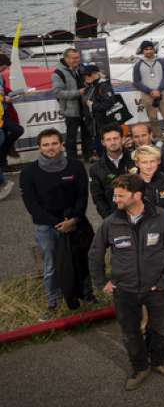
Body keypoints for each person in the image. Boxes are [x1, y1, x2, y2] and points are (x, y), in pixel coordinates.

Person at [88, 174, 164, 390]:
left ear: (137, 195)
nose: (114, 199)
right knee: (130, 332)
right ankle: (140, 368)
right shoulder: (111, 223)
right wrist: (102, 282)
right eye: (115, 195)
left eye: (120, 195)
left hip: (156, 287)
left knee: (161, 329)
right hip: (125, 291)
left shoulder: (162, 217)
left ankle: (159, 361)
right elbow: (95, 254)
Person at [20, 128, 94, 319]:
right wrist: (58, 223)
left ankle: (87, 295)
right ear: (39, 147)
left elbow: (82, 196)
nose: (50, 148)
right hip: (47, 227)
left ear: (61, 145)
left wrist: (74, 220)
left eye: (54, 143)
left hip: (76, 222)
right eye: (45, 144)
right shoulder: (29, 172)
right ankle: (52, 301)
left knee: (81, 259)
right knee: (51, 265)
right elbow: (32, 206)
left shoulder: (76, 166)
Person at [128, 42, 164, 141]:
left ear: (154, 50)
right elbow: (136, 82)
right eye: (146, 49)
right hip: (147, 95)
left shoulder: (161, 62)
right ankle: (159, 139)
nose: (149, 51)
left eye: (150, 49)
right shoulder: (138, 65)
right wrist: (150, 91)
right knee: (153, 119)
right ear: (142, 51)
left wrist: (159, 90)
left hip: (162, 93)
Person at [89, 125, 134, 219]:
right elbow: (98, 198)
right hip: (114, 218)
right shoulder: (95, 169)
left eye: (115, 138)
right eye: (108, 139)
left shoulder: (136, 160)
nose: (112, 142)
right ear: (103, 142)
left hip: (138, 214)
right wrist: (109, 219)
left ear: (122, 139)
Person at [51, 48, 88, 159]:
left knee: (87, 133)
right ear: (66, 58)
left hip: (84, 107)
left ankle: (88, 155)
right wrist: (78, 92)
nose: (77, 60)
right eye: (74, 58)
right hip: (70, 110)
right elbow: (58, 93)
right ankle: (72, 159)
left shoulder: (79, 68)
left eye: (78, 57)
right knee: (71, 137)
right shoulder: (58, 73)